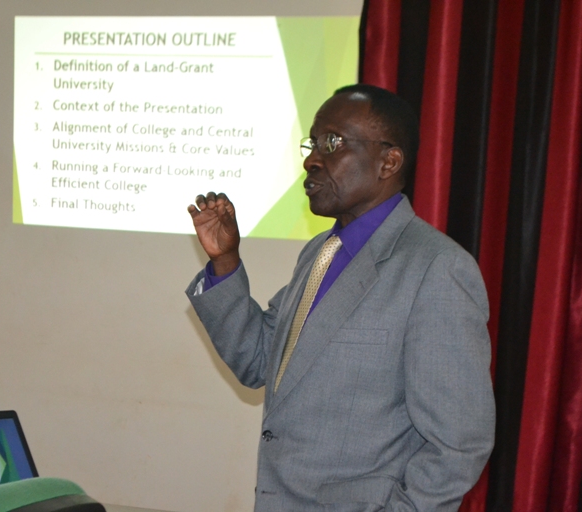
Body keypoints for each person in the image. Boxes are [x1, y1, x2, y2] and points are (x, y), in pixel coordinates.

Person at [185, 84, 495, 511]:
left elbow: (459, 443)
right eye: (312, 143)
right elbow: (259, 360)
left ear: (389, 161)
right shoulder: (320, 252)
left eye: (332, 143)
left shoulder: (435, 269)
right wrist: (225, 263)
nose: (313, 159)